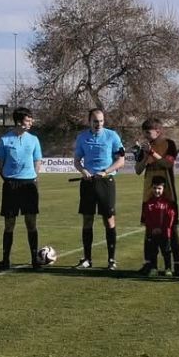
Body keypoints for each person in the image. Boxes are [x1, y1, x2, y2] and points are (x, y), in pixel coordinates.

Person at [73, 107, 127, 270]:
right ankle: (87, 259)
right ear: (89, 121)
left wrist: (105, 172)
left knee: (108, 219)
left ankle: (111, 260)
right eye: (95, 121)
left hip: (106, 181)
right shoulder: (82, 137)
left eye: (101, 121)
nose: (99, 124)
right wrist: (84, 172)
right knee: (87, 220)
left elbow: (121, 161)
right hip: (88, 183)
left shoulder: (112, 136)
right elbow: (77, 161)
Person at [0, 107, 44, 270]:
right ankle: (5, 259)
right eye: (28, 120)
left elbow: (38, 161)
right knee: (9, 224)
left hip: (29, 185)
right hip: (11, 185)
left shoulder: (34, 139)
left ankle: (35, 259)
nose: (31, 122)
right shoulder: (5, 140)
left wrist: (33, 176)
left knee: (31, 223)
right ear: (19, 122)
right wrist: (8, 179)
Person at [136, 118, 179, 277]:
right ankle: (150, 264)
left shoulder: (169, 144)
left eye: (148, 132)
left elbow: (168, 164)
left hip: (168, 191)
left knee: (172, 227)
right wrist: (144, 155)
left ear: (158, 131)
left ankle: (176, 264)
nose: (145, 135)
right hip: (149, 192)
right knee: (149, 228)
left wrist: (152, 153)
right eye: (144, 132)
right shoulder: (144, 147)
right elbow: (138, 170)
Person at [140, 180, 178, 276]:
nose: (157, 191)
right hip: (153, 233)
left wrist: (162, 228)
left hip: (165, 233)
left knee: (166, 251)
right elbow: (147, 218)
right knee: (153, 251)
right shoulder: (149, 203)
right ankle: (154, 268)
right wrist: (153, 228)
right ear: (151, 188)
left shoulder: (167, 203)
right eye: (155, 188)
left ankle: (168, 268)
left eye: (159, 188)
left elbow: (170, 218)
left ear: (164, 189)